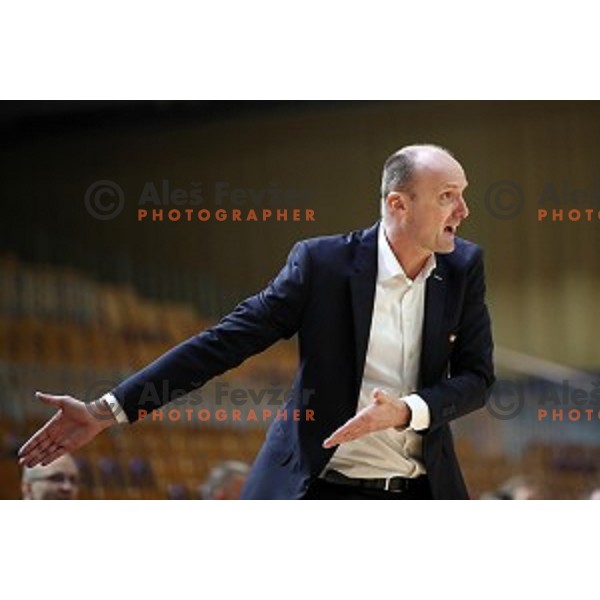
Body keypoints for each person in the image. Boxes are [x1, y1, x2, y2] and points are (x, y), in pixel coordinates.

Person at [18, 144, 495, 500]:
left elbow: (477, 379)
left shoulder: (463, 268)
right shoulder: (322, 265)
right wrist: (107, 409)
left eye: (462, 195)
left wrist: (407, 410)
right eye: (448, 196)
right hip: (316, 487)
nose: (463, 211)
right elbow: (224, 342)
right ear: (398, 204)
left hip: (417, 490)